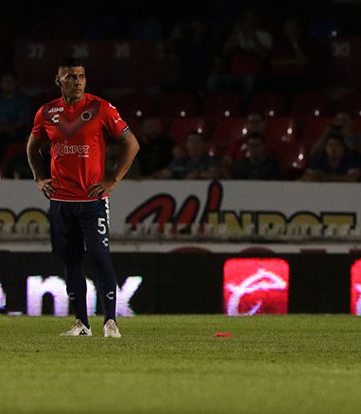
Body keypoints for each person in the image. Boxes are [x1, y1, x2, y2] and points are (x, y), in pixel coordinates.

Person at [27, 58, 139, 337]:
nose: (77, 81)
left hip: (92, 200)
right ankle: (82, 324)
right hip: (61, 201)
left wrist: (111, 180)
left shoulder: (101, 108)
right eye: (70, 76)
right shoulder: (46, 112)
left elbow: (131, 143)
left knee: (100, 258)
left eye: (81, 76)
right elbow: (32, 147)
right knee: (72, 261)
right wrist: (40, 177)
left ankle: (110, 322)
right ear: (58, 80)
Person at [154, 130, 220, 179]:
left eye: (197, 141)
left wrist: (198, 174)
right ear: (187, 144)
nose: (194, 144)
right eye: (191, 141)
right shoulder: (179, 161)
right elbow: (166, 173)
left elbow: (215, 174)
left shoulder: (210, 160)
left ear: (203, 144)